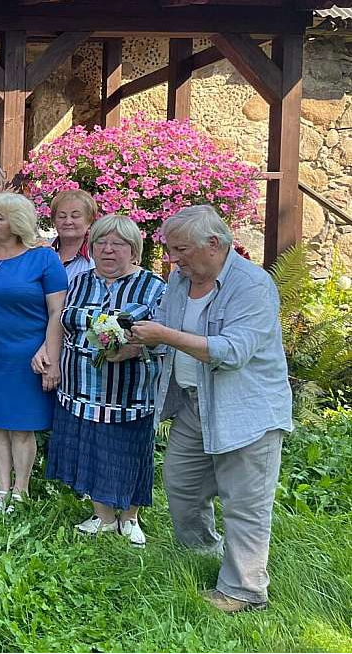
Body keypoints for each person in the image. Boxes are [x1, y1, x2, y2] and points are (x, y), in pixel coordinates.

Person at [129, 205, 293, 614]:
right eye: (171, 250)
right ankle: (204, 556)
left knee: (245, 503)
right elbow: (163, 333)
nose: (173, 259)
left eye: (181, 249)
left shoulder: (252, 285)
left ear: (214, 245)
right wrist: (132, 345)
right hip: (193, 406)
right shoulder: (180, 281)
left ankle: (244, 590)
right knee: (182, 486)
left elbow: (233, 352)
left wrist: (165, 334)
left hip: (246, 410)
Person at [46, 214, 166, 545]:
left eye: (119, 244)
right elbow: (62, 321)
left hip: (129, 392)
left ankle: (130, 518)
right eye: (100, 242)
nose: (108, 250)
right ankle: (103, 515)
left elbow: (167, 338)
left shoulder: (154, 287)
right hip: (80, 387)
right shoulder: (80, 281)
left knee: (129, 451)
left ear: (135, 251)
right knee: (92, 450)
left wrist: (135, 349)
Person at [0, 193, 67, 511]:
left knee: (21, 427)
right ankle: (2, 490)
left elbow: (57, 312)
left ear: (18, 223)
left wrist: (50, 354)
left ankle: (21, 490)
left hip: (27, 357)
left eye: (0, 217)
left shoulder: (44, 259)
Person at [50, 189, 98, 284]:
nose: (68, 222)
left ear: (89, 220)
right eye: (62, 216)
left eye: (75, 216)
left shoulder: (97, 255)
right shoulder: (42, 250)